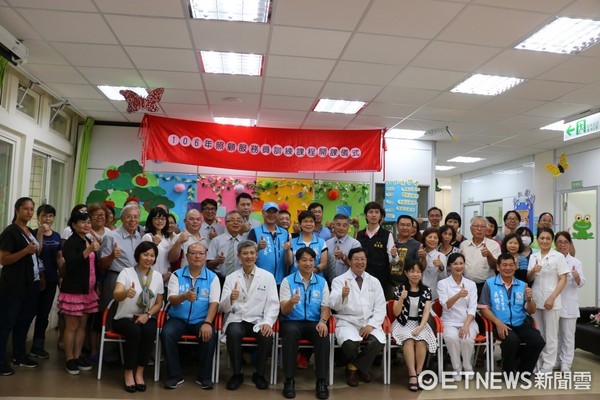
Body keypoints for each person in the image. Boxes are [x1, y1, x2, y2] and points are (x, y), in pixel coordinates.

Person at [219, 240, 279, 391]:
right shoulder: (231, 277)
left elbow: (273, 303)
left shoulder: (267, 277)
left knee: (266, 336)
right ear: (239, 256)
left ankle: (259, 374)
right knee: (233, 333)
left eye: (252, 253)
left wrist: (268, 322)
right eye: (245, 253)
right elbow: (223, 307)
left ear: (257, 255)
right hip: (237, 318)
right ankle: (237, 374)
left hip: (258, 319)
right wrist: (231, 298)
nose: (249, 256)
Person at [162, 242, 220, 390]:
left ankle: (204, 377)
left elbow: (214, 303)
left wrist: (207, 322)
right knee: (167, 333)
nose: (197, 256)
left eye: (201, 253)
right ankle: (175, 375)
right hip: (178, 319)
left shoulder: (213, 278)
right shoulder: (177, 275)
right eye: (193, 253)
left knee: (210, 335)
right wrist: (184, 296)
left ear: (206, 256)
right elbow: (171, 299)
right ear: (187, 256)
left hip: (201, 320)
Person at [478, 253, 544, 376]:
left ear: (515, 267)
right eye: (504, 265)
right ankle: (508, 371)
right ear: (498, 267)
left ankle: (524, 370)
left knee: (538, 341)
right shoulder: (490, 284)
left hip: (520, 323)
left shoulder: (523, 285)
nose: (508, 268)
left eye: (511, 265)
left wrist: (530, 299)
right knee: (511, 340)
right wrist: (498, 323)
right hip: (499, 323)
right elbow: (483, 308)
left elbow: (532, 310)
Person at [330, 247, 386, 387]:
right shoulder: (339, 281)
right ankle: (362, 369)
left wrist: (371, 325)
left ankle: (353, 368)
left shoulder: (374, 281)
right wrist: (342, 296)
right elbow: (333, 305)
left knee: (378, 342)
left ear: (366, 261)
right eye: (356, 259)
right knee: (350, 344)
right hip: (346, 321)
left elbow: (380, 307)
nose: (360, 262)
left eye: (363, 259)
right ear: (349, 261)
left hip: (369, 321)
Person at [112, 241, 164, 392]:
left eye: (152, 255)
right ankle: (128, 372)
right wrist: (125, 293)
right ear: (138, 255)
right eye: (145, 254)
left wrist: (147, 315)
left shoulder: (158, 276)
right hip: (124, 318)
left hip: (146, 317)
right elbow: (116, 295)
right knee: (135, 331)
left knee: (148, 331)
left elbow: (159, 303)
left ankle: (140, 372)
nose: (149, 258)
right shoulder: (126, 272)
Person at [279, 248, 330, 399]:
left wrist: (322, 321)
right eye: (304, 260)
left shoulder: (322, 282)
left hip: (314, 321)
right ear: (297, 262)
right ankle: (289, 380)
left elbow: (325, 307)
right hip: (292, 321)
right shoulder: (287, 281)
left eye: (311, 260)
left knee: (322, 334)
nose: (308, 263)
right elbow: (284, 311)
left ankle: (321, 381)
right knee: (290, 333)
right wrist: (291, 302)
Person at [0, 197, 42, 375]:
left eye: (32, 209)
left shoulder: (29, 231)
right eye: (25, 209)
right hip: (13, 285)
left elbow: (36, 252)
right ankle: (1, 362)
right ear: (17, 210)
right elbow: (4, 259)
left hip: (30, 284)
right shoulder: (10, 232)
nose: (29, 212)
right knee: (6, 323)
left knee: (23, 322)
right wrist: (25, 251)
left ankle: (19, 355)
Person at [58, 212, 99, 375]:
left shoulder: (88, 239)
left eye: (88, 222)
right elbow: (72, 265)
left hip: (88, 290)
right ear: (74, 225)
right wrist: (89, 249)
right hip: (73, 290)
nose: (87, 225)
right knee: (72, 326)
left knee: (83, 325)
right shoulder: (70, 243)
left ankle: (77, 355)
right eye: (83, 222)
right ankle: (69, 359)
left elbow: (92, 265)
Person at [391, 261, 438, 391]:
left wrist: (421, 326)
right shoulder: (399, 289)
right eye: (412, 271)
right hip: (402, 323)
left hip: (419, 323)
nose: (415, 274)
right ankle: (412, 374)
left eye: (418, 271)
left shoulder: (426, 290)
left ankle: (419, 373)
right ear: (406, 273)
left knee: (421, 341)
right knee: (409, 340)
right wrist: (401, 298)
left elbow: (427, 311)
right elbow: (395, 312)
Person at [527, 227, 568, 374]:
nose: (544, 241)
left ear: (552, 241)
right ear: (538, 240)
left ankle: (548, 365)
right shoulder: (533, 256)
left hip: (552, 300)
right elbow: (529, 278)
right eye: (542, 238)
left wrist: (552, 297)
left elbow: (563, 279)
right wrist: (533, 271)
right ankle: (538, 361)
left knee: (551, 334)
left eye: (548, 239)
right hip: (536, 299)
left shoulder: (558, 257)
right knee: (539, 333)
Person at [437, 253, 478, 381]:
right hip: (449, 321)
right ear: (449, 266)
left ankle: (467, 366)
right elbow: (445, 305)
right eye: (455, 264)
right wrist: (458, 295)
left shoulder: (471, 284)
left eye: (461, 263)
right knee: (451, 338)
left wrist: (466, 325)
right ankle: (457, 368)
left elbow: (473, 307)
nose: (459, 266)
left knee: (467, 338)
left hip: (468, 321)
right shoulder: (443, 284)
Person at [30, 204, 62, 360]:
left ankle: (38, 346)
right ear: (38, 217)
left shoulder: (56, 236)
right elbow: (37, 251)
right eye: (44, 215)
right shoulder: (32, 233)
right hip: (34, 280)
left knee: (44, 314)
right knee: (29, 313)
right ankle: (20, 345)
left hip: (51, 280)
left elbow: (59, 258)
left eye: (50, 216)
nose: (47, 219)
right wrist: (41, 234)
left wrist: (62, 276)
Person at [99, 204, 143, 311]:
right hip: (115, 278)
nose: (132, 220)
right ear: (122, 219)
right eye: (128, 216)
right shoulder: (111, 236)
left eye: (135, 217)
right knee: (111, 311)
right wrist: (112, 256)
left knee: (130, 312)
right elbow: (102, 264)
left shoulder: (140, 236)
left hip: (135, 279)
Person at [554, 231, 585, 373]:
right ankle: (555, 360)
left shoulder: (575, 262)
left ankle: (566, 363)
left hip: (569, 304)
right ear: (555, 243)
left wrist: (577, 277)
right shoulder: (551, 258)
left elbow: (581, 283)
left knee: (567, 335)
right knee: (554, 335)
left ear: (570, 244)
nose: (562, 245)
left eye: (565, 242)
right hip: (553, 303)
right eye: (559, 242)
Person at [356, 202, 398, 299]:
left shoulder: (387, 235)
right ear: (366, 215)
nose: (373, 215)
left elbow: (393, 261)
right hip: (362, 275)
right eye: (370, 212)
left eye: (376, 212)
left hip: (381, 277)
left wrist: (394, 255)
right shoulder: (360, 235)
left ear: (381, 216)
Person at [248, 202, 293, 284]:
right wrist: (258, 248)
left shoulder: (284, 233)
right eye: (268, 212)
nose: (271, 215)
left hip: (280, 281)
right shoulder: (255, 232)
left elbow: (289, 262)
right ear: (263, 213)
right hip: (259, 281)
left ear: (278, 213)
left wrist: (287, 250)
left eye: (274, 212)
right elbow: (247, 256)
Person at [460, 216, 501, 296]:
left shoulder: (493, 245)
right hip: (466, 284)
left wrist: (489, 255)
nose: (479, 229)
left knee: (484, 307)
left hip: (486, 285)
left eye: (483, 227)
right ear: (471, 228)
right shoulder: (463, 245)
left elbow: (497, 266)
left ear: (486, 229)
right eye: (476, 226)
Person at [207, 210, 245, 286]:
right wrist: (217, 261)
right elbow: (208, 265)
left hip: (239, 280)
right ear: (226, 223)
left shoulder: (244, 243)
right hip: (219, 280)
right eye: (232, 220)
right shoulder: (216, 241)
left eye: (239, 220)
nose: (236, 223)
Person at [142, 207, 174, 289]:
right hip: (150, 278)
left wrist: (169, 273)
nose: (160, 221)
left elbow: (169, 259)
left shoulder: (167, 239)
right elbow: (143, 259)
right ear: (151, 220)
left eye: (163, 219)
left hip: (165, 279)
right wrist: (155, 244)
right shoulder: (148, 237)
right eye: (157, 218)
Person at [290, 211, 327, 277]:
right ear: (300, 224)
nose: (309, 224)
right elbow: (289, 263)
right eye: (305, 221)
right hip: (295, 280)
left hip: (316, 280)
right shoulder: (292, 242)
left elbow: (324, 263)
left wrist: (310, 272)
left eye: (311, 221)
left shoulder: (321, 242)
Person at [325, 213, 361, 283]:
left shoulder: (355, 244)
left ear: (348, 227)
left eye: (345, 225)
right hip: (328, 283)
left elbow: (357, 265)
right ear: (333, 226)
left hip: (347, 284)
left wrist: (343, 257)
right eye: (338, 225)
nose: (341, 228)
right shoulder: (327, 243)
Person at [391, 215, 420, 288]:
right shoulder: (392, 243)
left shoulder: (417, 245)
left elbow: (420, 266)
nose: (405, 228)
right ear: (397, 226)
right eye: (402, 225)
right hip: (390, 284)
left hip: (408, 285)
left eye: (408, 225)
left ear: (412, 227)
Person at [419, 227, 447, 299]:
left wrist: (441, 267)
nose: (432, 240)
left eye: (435, 238)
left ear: (438, 241)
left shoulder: (441, 256)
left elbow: (443, 278)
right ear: (425, 238)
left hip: (433, 294)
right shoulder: (418, 253)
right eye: (430, 237)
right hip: (418, 293)